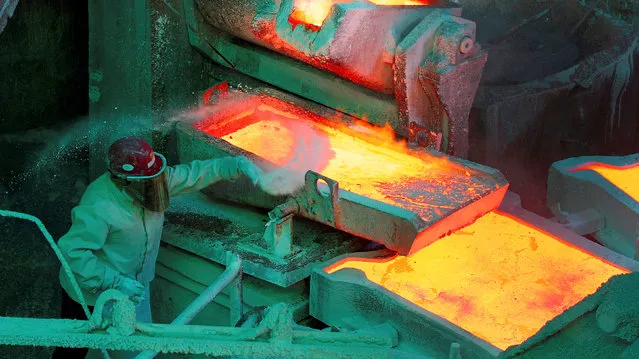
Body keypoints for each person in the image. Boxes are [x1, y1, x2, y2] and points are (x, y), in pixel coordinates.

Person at [51, 136, 262, 358]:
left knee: (140, 348)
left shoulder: (151, 182)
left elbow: (192, 174)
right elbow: (72, 252)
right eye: (148, 182)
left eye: (155, 178)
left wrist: (235, 165)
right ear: (124, 181)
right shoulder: (99, 206)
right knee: (72, 348)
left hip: (135, 286)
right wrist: (115, 282)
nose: (156, 186)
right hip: (91, 294)